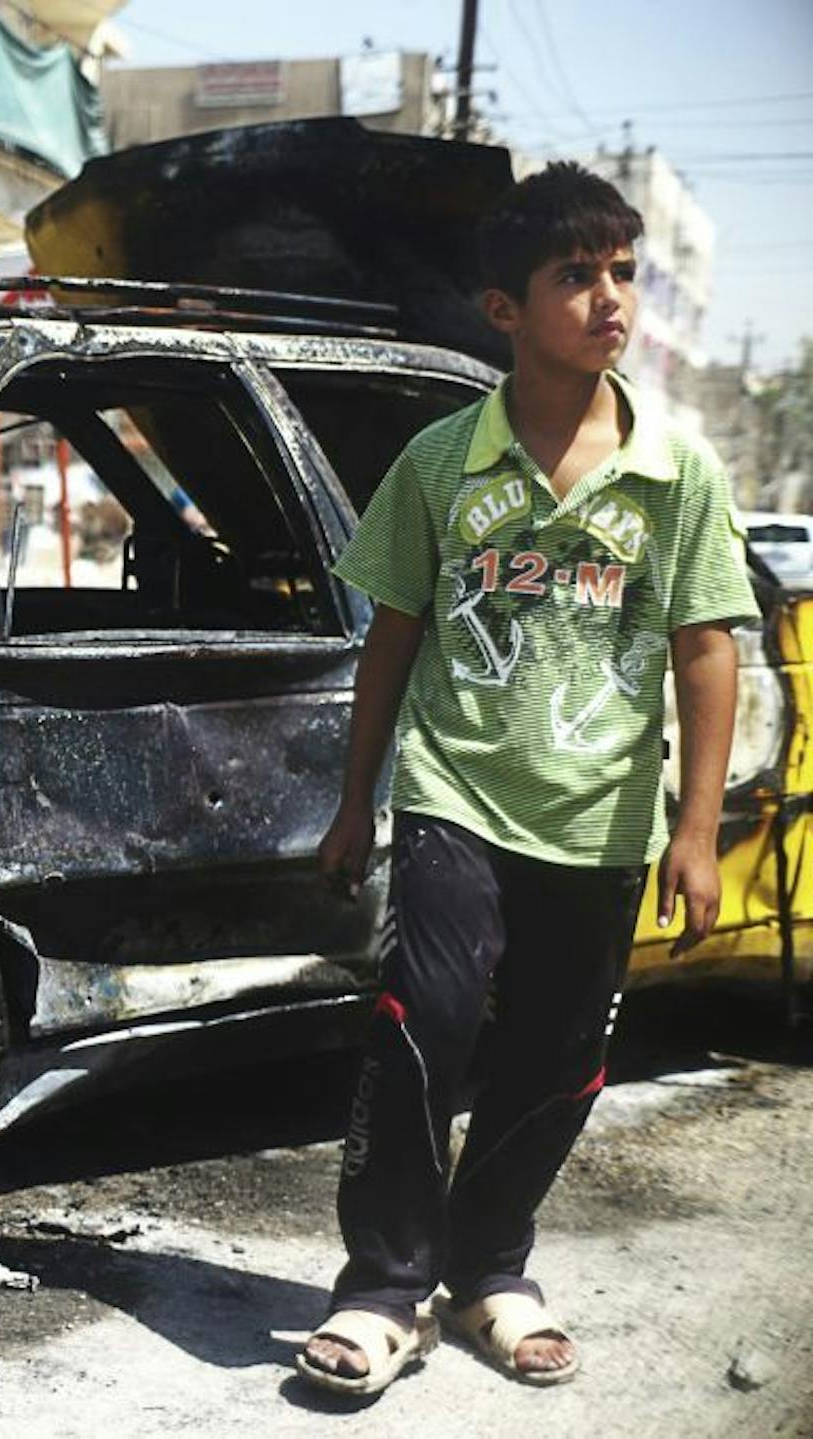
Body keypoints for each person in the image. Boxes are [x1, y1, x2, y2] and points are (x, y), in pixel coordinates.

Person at [293, 161, 758, 1396]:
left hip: (601, 812)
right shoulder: (443, 463)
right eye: (575, 276)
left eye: (623, 273)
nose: (609, 299)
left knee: (559, 1054)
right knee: (423, 1021)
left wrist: (698, 830)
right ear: (504, 309)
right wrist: (357, 800)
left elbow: (706, 651)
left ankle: (492, 1267)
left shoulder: (678, 475)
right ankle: (385, 1289)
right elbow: (392, 634)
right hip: (458, 790)